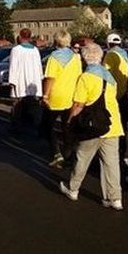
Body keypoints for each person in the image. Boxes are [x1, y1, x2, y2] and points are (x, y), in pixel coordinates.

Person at [59, 43, 125, 210]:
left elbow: (79, 104)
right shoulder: (109, 77)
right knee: (111, 163)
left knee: (83, 157)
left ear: (84, 57)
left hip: (92, 125)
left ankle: (73, 188)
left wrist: (70, 121)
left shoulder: (86, 77)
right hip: (112, 123)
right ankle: (114, 198)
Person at [44, 30, 82, 168]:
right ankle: (68, 154)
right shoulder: (76, 57)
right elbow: (79, 76)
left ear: (56, 41)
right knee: (67, 126)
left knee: (49, 125)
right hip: (71, 95)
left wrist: (45, 95)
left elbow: (50, 78)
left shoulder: (53, 58)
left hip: (56, 95)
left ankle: (56, 153)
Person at [103, 33, 128, 168]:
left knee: (113, 126)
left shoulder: (110, 55)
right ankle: (127, 154)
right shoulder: (127, 56)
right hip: (126, 95)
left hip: (114, 96)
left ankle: (114, 155)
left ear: (108, 44)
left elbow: (105, 74)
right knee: (125, 126)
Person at [8, 28, 43, 132]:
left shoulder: (16, 50)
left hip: (20, 82)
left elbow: (13, 66)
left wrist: (12, 81)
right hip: (33, 82)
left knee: (17, 106)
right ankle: (36, 125)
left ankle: (16, 126)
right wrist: (40, 78)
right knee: (33, 106)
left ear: (20, 36)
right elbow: (39, 66)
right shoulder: (35, 50)